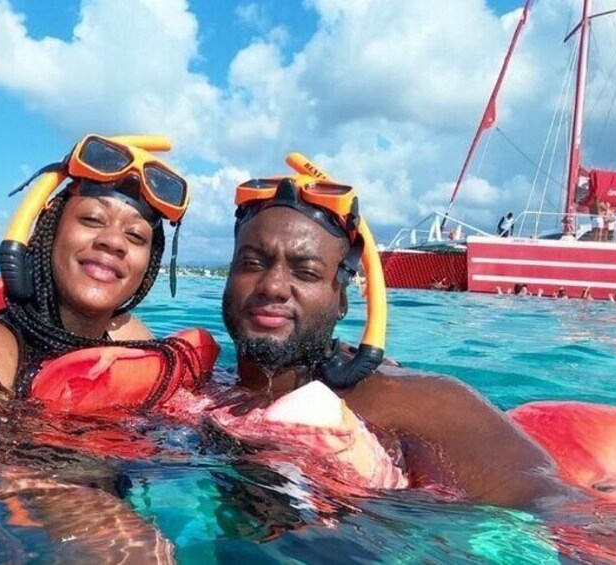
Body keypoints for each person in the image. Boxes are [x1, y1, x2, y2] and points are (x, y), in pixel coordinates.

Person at [222, 156, 573, 509]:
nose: (273, 286)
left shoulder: (417, 402)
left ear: (341, 300)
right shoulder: (207, 386)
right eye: (252, 264)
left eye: (306, 272)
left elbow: (553, 508)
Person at [0, 134, 190, 394]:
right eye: (92, 220)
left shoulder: (132, 340)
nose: (114, 241)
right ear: (50, 232)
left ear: (149, 264)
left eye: (136, 236)